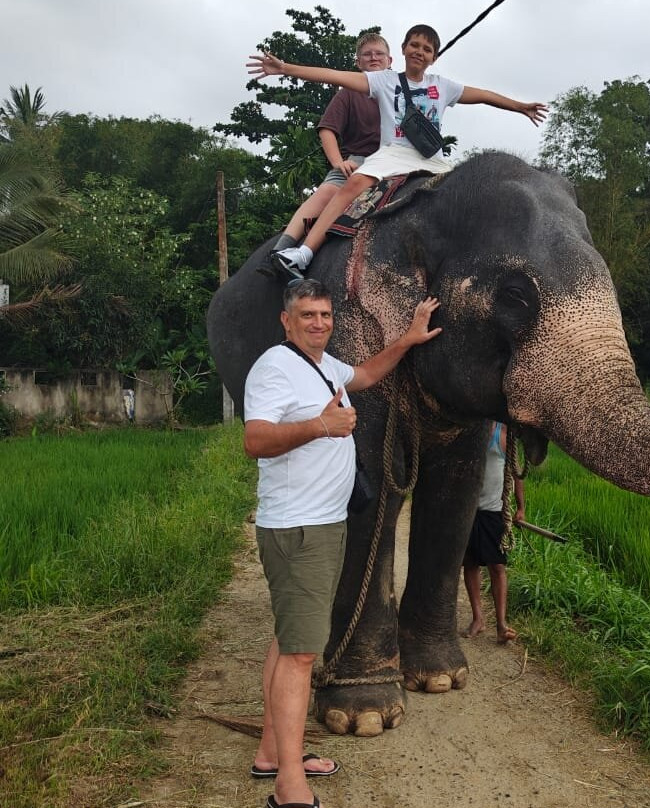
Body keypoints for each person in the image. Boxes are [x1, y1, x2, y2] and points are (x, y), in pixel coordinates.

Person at [244, 278, 441, 808]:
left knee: (288, 642)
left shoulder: (327, 366)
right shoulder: (274, 368)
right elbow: (254, 440)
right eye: (307, 315)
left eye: (325, 315)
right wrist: (320, 426)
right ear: (286, 320)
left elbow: (370, 373)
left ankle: (272, 752)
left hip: (324, 525)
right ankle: (289, 783)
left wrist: (408, 338)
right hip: (298, 529)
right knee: (303, 655)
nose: (318, 323)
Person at [247, 23, 548, 279]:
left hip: (430, 158)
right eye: (414, 45)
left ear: (434, 57)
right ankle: (303, 252)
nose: (419, 51)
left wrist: (519, 106)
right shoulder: (383, 80)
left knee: (469, 193)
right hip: (393, 153)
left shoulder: (442, 86)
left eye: (426, 49)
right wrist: (285, 68)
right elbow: (332, 75)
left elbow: (482, 95)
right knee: (352, 185)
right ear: (403, 50)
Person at [264, 33, 393, 280]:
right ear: (358, 62)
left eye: (379, 53)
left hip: (395, 162)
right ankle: (281, 251)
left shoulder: (401, 90)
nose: (373, 58)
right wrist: (338, 163)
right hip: (357, 162)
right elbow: (327, 130)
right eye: (367, 54)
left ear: (390, 60)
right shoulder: (348, 93)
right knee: (326, 192)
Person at [461, 421, 525, 644]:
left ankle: (501, 623)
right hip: (468, 509)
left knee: (497, 566)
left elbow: (516, 474)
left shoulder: (502, 434)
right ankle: (478, 618)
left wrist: (520, 508)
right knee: (470, 563)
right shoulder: (468, 428)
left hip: (493, 511)